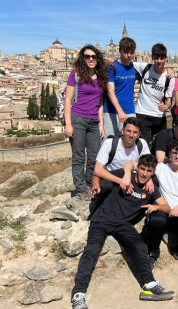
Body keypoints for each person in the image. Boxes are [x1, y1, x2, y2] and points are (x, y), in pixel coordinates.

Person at [71, 155, 175, 309]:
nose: (144, 173)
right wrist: (97, 186)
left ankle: (149, 285)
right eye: (142, 169)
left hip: (123, 225)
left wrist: (156, 208)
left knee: (140, 246)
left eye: (149, 171)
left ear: (152, 172)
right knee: (91, 251)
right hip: (101, 220)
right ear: (137, 167)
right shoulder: (123, 175)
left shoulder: (151, 188)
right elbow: (97, 174)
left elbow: (167, 208)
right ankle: (78, 294)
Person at [132, 139, 178, 268]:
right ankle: (153, 252)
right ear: (169, 153)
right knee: (156, 219)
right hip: (163, 208)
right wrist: (148, 180)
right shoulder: (161, 168)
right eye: (174, 153)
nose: (177, 156)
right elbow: (134, 166)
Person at [64, 44, 108, 200]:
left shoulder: (101, 77)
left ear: (97, 58)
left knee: (95, 155)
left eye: (93, 56)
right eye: (87, 56)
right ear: (83, 58)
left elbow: (100, 103)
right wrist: (68, 124)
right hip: (78, 119)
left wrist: (101, 124)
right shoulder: (75, 75)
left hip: (94, 121)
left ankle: (90, 183)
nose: (90, 59)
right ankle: (81, 188)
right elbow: (68, 99)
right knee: (79, 156)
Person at [91, 117, 150, 210]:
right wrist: (120, 181)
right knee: (104, 185)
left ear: (139, 134)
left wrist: (149, 180)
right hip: (113, 178)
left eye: (135, 132)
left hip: (132, 179)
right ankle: (101, 203)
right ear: (122, 131)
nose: (131, 135)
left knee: (153, 181)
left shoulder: (142, 144)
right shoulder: (110, 143)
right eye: (128, 131)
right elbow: (98, 170)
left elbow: (148, 166)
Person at [134, 43, 175, 143]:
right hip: (142, 113)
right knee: (143, 145)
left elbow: (169, 101)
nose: (159, 61)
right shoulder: (144, 68)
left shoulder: (170, 78)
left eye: (162, 58)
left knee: (161, 146)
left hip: (159, 116)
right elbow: (126, 63)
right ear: (152, 57)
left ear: (166, 58)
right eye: (156, 58)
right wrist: (111, 62)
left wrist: (166, 107)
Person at [103, 37, 139, 139]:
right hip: (111, 111)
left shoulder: (134, 68)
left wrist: (168, 70)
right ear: (120, 51)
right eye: (126, 52)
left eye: (131, 53)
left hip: (130, 110)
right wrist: (120, 111)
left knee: (130, 142)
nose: (129, 55)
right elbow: (110, 91)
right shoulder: (112, 67)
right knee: (109, 142)